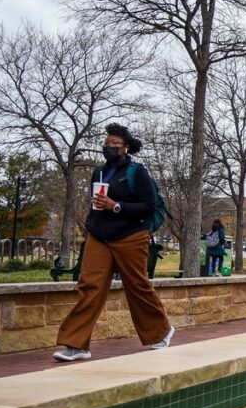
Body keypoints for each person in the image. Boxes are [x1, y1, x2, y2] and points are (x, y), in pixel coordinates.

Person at [53, 123, 173, 362]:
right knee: (89, 287)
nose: (109, 147)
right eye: (106, 144)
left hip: (131, 236)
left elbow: (148, 206)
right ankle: (76, 345)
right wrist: (93, 220)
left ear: (126, 148)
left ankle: (161, 332)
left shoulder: (137, 172)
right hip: (100, 237)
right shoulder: (98, 172)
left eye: (114, 144)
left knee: (136, 285)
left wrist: (115, 206)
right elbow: (96, 202)